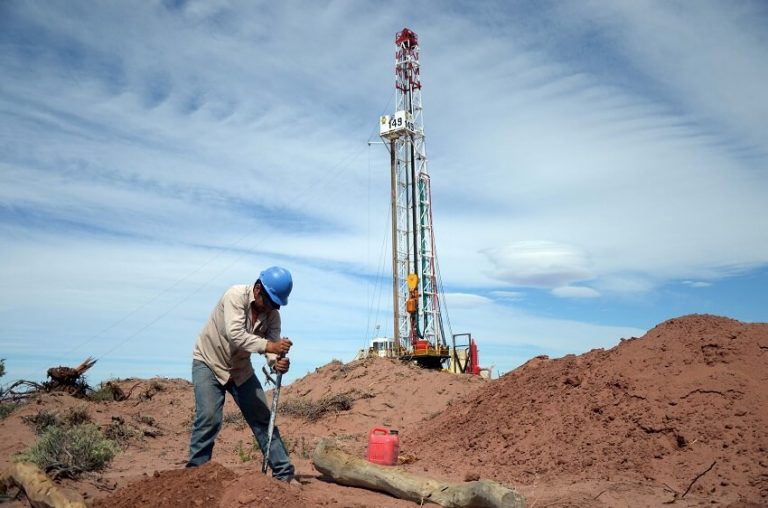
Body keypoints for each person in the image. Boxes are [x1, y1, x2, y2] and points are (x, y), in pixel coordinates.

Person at [186, 266, 298, 486]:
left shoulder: (273, 316)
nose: (273, 308)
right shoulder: (235, 295)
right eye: (271, 301)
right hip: (209, 362)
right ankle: (194, 478)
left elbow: (272, 349)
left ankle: (284, 474)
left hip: (240, 370)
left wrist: (277, 362)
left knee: (263, 419)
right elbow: (236, 335)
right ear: (258, 289)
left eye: (277, 304)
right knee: (208, 418)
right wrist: (270, 346)